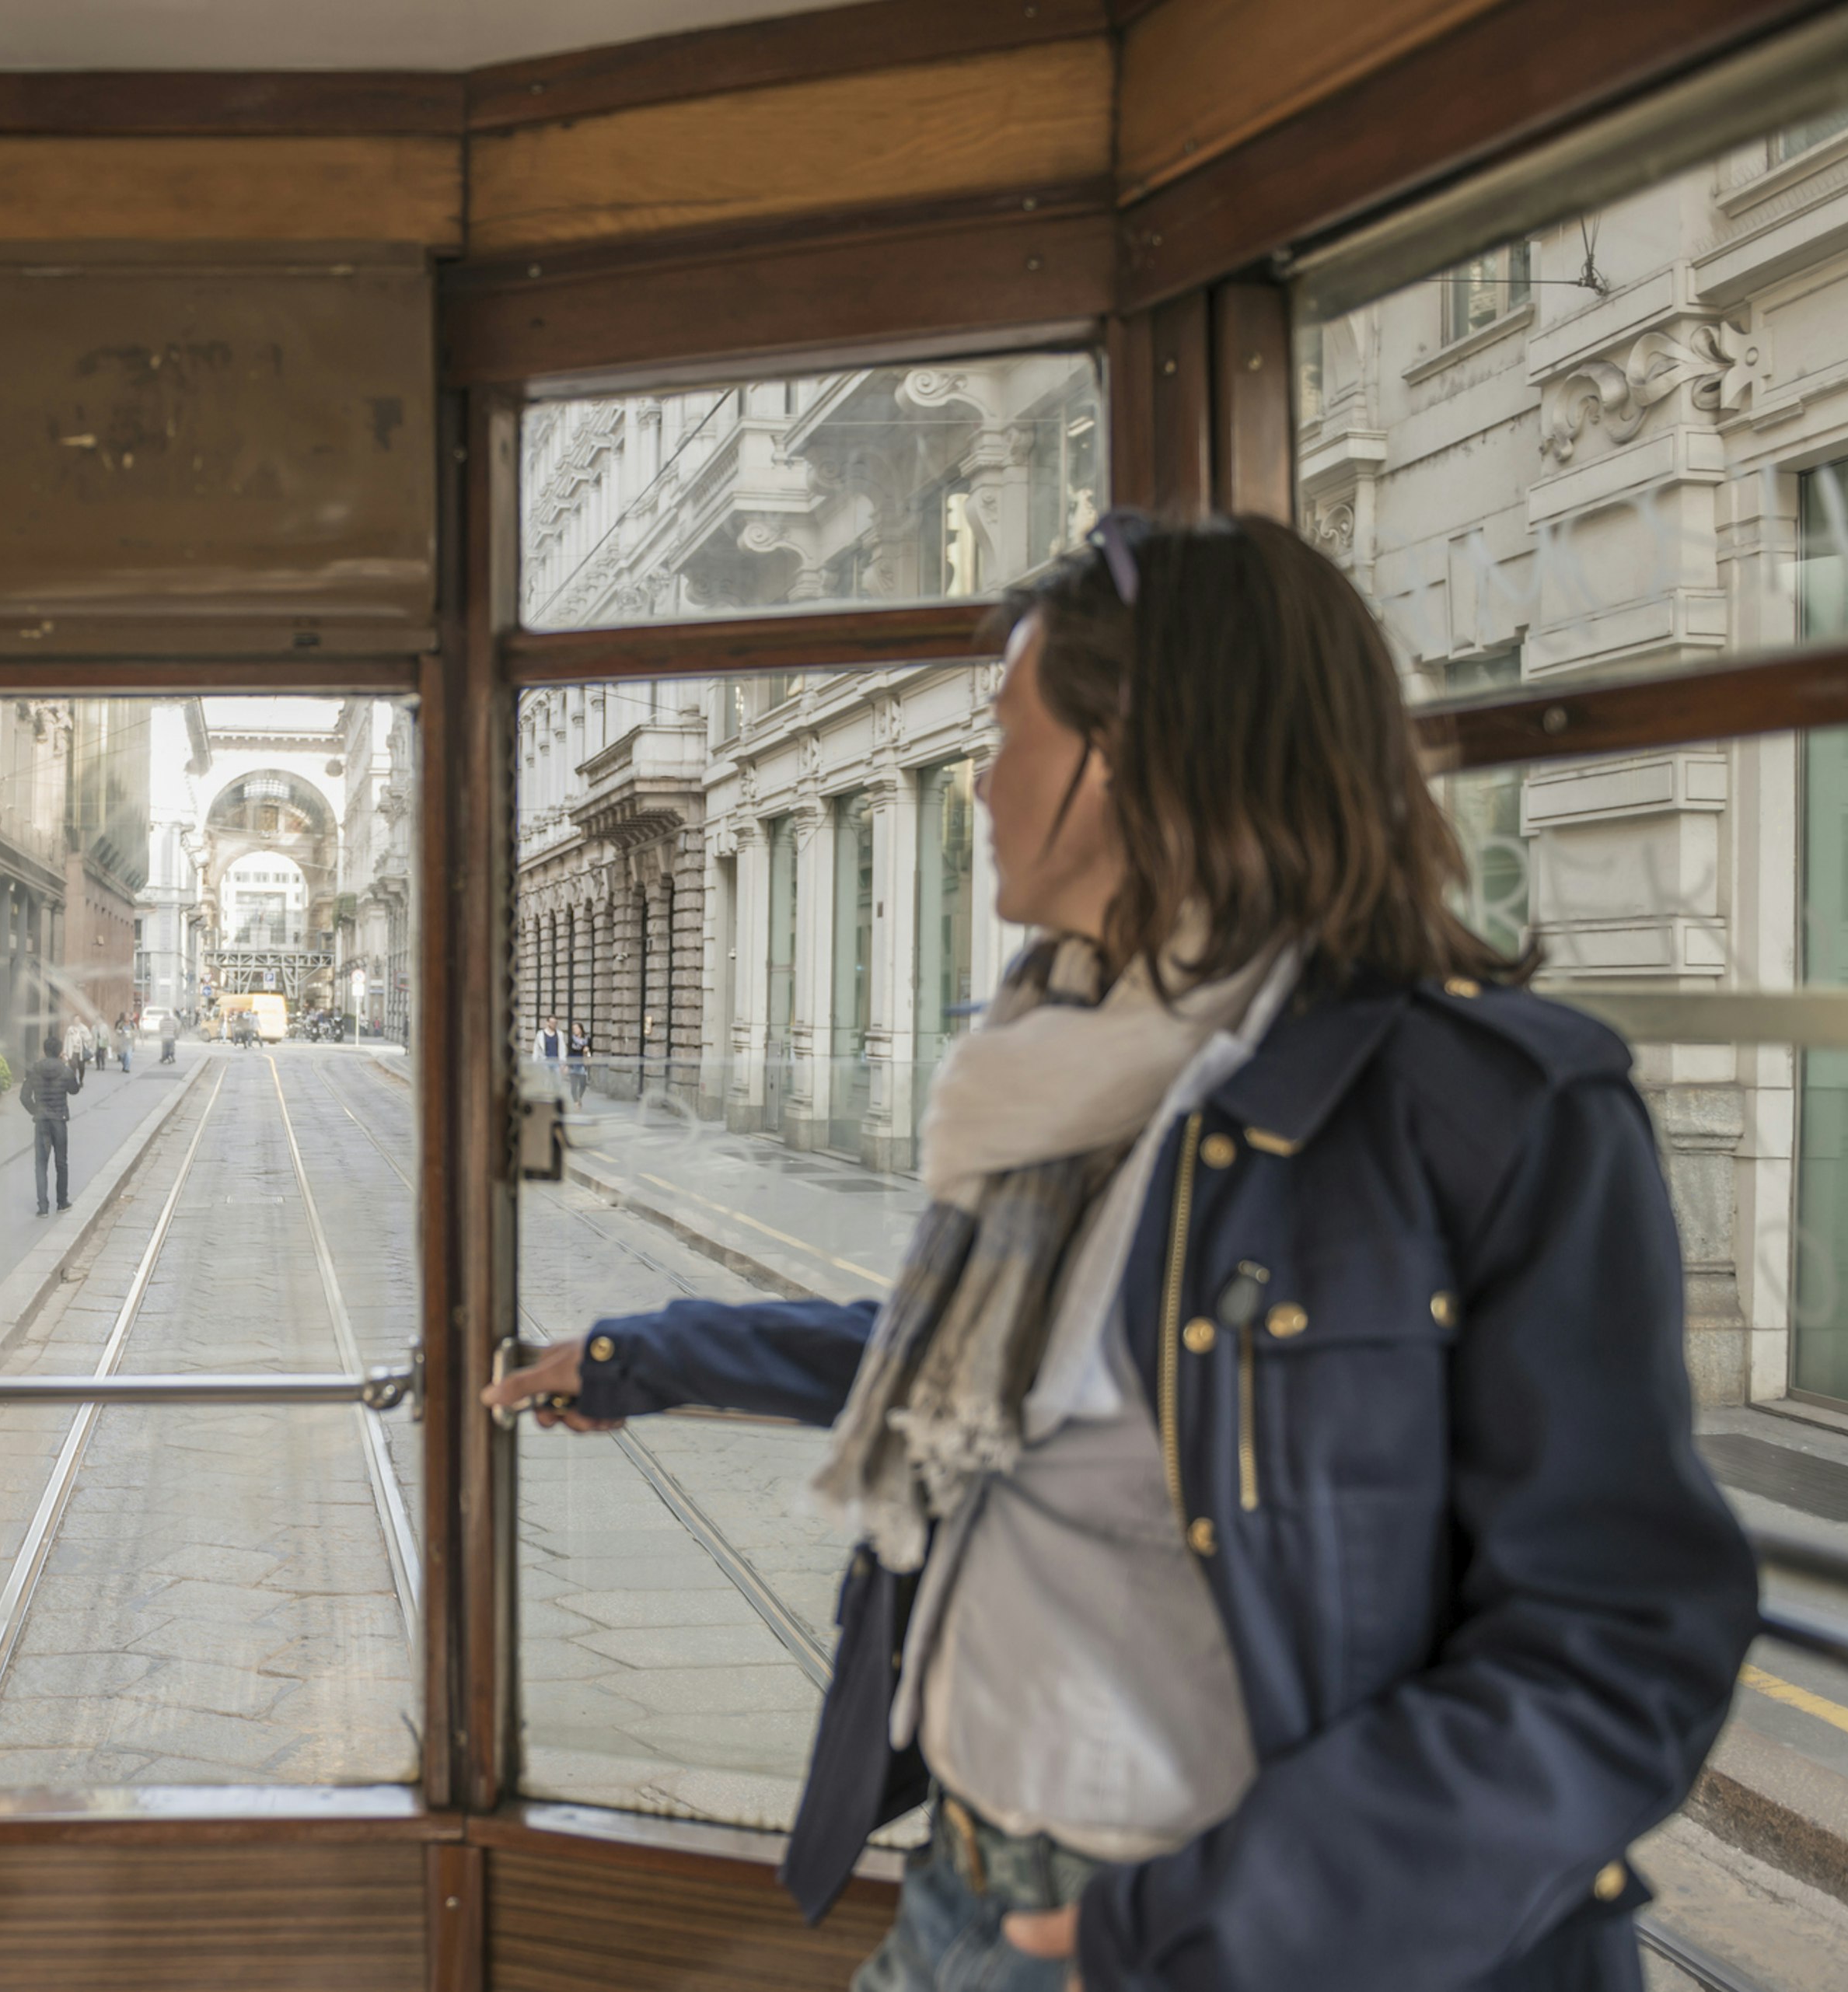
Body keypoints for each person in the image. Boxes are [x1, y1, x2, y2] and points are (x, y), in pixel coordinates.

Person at [484, 513, 1757, 1992]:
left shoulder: (1488, 1111)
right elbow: (966, 1371)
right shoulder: (1068, 1063)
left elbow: (1618, 1653)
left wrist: (1201, 1928)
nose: (980, 778)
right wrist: (649, 1356)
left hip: (1226, 1942)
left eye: (1012, 732)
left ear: (1139, 756)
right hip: (974, 1883)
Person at [21, 1029, 82, 1214]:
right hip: (59, 1120)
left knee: (40, 1164)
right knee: (61, 1162)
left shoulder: (33, 1069)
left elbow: (24, 1097)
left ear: (44, 1050)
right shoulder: (65, 1071)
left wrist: (36, 1110)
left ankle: (43, 1207)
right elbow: (74, 1090)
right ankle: (62, 1202)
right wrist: (71, 1067)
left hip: (41, 1121)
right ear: (59, 1051)